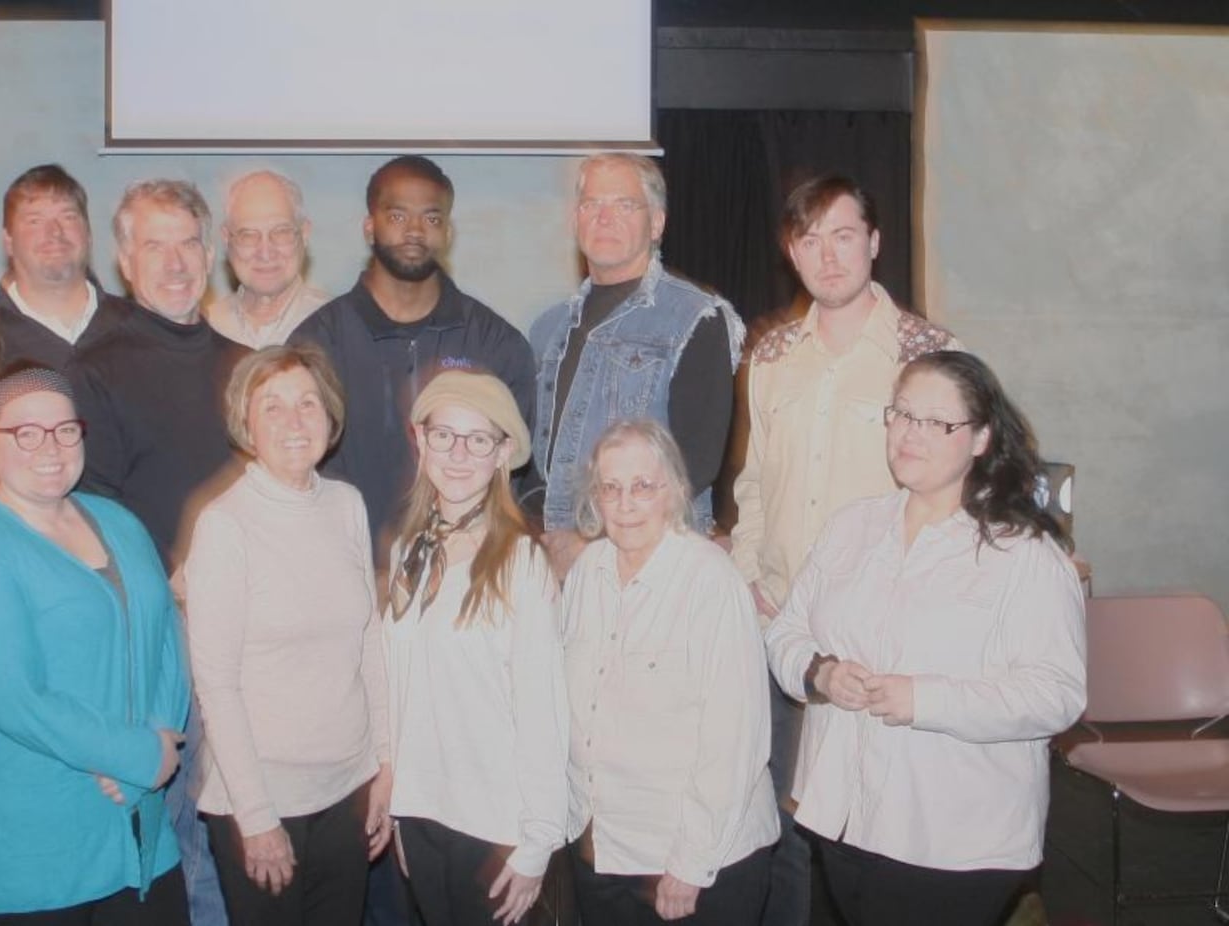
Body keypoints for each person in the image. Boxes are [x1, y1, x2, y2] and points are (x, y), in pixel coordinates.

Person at [765, 351, 1086, 926]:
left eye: (937, 423)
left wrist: (925, 699)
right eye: (902, 414)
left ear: (981, 438)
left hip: (954, 836)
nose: (910, 434)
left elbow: (1056, 694)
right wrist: (819, 673)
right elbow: (787, 631)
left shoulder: (1024, 555)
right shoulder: (853, 526)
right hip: (845, 814)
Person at [727, 174, 962, 926]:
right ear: (790, 253)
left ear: (875, 241)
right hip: (783, 627)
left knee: (875, 834)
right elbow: (755, 484)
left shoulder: (930, 354)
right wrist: (747, 582)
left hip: (880, 640)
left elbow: (955, 496)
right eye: (808, 238)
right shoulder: (769, 355)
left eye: (843, 234)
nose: (826, 256)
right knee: (786, 822)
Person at [0, 366, 191, 923]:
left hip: (136, 819)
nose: (49, 447)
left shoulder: (118, 521)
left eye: (64, 430)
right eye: (24, 432)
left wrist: (158, 735)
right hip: (34, 834)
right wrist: (136, 754)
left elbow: (167, 635)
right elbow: (19, 701)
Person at [73, 178, 243, 926]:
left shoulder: (248, 366)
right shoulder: (94, 367)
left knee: (240, 818)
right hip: (159, 632)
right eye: (154, 245)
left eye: (187, 243)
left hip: (245, 627)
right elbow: (90, 512)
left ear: (208, 253)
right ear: (122, 259)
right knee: (177, 828)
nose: (173, 262)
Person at [183, 345, 391, 926]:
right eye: (272, 407)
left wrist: (387, 764)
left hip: (348, 789)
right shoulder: (225, 525)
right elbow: (217, 687)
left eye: (307, 403)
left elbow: (368, 644)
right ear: (245, 424)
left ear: (330, 415)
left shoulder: (346, 505)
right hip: (265, 801)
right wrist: (256, 819)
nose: (294, 421)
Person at [563, 419, 778, 926]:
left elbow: (735, 739)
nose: (626, 503)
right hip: (606, 848)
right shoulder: (586, 573)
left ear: (675, 490)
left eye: (643, 486)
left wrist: (690, 863)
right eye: (610, 488)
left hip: (699, 863)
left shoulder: (709, 581)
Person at [383, 370, 568, 926]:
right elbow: (399, 691)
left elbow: (544, 712)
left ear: (503, 453)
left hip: (495, 827)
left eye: (478, 439)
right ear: (421, 442)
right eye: (444, 435)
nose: (459, 453)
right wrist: (398, 810)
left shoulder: (521, 562)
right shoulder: (407, 552)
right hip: (420, 816)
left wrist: (537, 843)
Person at [293, 155, 536, 566]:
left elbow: (516, 480)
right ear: (370, 226)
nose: (415, 231)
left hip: (465, 579)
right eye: (397, 215)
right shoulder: (315, 343)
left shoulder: (497, 344)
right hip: (341, 576)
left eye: (432, 218)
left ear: (448, 232)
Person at [529, 153, 744, 578]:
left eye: (624, 205)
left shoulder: (696, 318)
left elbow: (693, 466)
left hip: (652, 569)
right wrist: (542, 540)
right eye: (592, 204)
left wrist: (593, 545)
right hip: (555, 569)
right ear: (576, 219)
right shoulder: (548, 329)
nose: (604, 217)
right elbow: (533, 464)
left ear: (657, 223)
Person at [0, 164, 134, 371]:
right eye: (34, 221)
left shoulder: (139, 328)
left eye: (68, 217)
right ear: (8, 242)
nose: (54, 232)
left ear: (88, 234)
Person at [206, 170, 329, 348]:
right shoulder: (206, 327)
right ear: (226, 238)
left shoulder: (338, 325)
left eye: (281, 232)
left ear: (304, 233)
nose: (265, 253)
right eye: (248, 235)